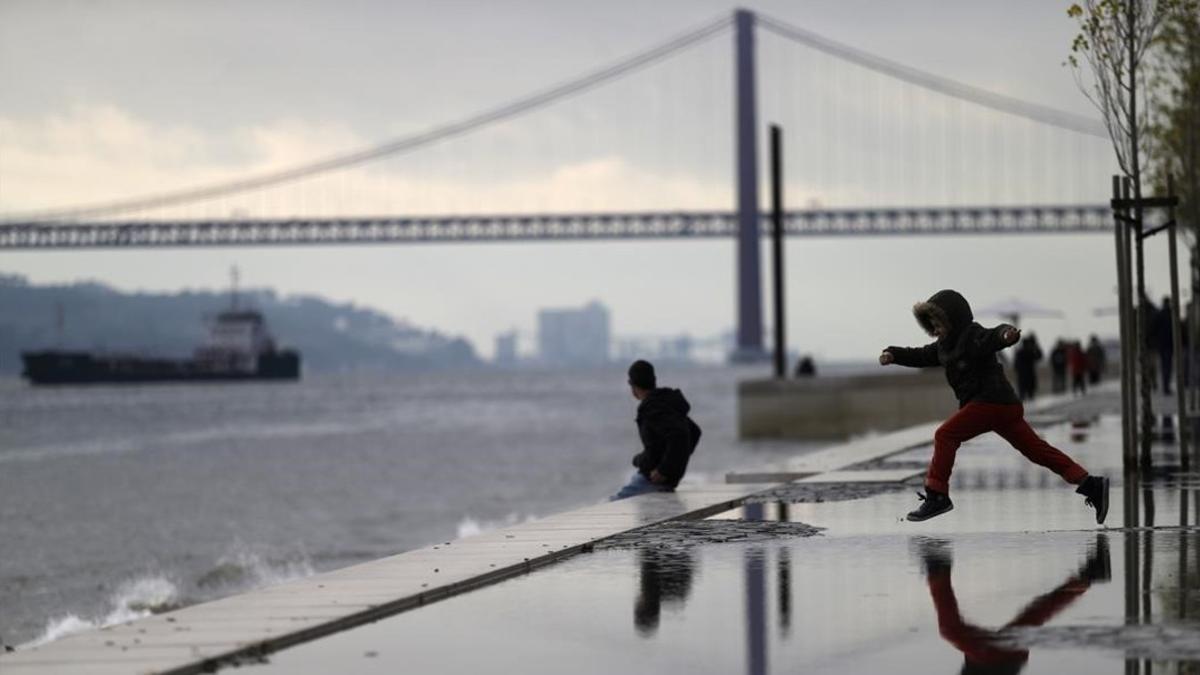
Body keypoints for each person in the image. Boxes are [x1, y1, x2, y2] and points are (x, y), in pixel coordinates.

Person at [879, 290, 1109, 523]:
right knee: (1037, 451)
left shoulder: (971, 335)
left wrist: (1007, 335)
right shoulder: (943, 346)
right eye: (932, 325)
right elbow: (919, 355)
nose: (936, 329)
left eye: (938, 323)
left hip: (989, 402)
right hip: (1003, 407)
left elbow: (993, 336)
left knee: (945, 435)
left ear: (952, 319)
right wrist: (893, 354)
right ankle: (1091, 484)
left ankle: (937, 495)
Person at [610, 360, 702, 500]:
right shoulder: (667, 402)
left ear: (633, 385)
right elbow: (694, 432)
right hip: (663, 481)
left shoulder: (653, 407)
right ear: (653, 380)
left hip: (651, 481)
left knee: (610, 506)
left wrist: (664, 470)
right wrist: (675, 465)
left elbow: (680, 435)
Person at [1155, 296, 1176, 394]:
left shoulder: (1159, 314)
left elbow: (1153, 329)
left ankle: (1165, 386)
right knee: (1167, 366)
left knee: (1164, 366)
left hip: (1162, 345)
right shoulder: (1172, 314)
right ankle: (1166, 387)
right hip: (1169, 345)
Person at [1012, 333, 1043, 401]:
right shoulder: (1029, 352)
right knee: (1029, 396)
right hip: (1028, 377)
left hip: (1023, 377)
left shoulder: (1021, 352)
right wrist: (1036, 346)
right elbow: (1039, 356)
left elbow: (1015, 365)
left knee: (1023, 396)